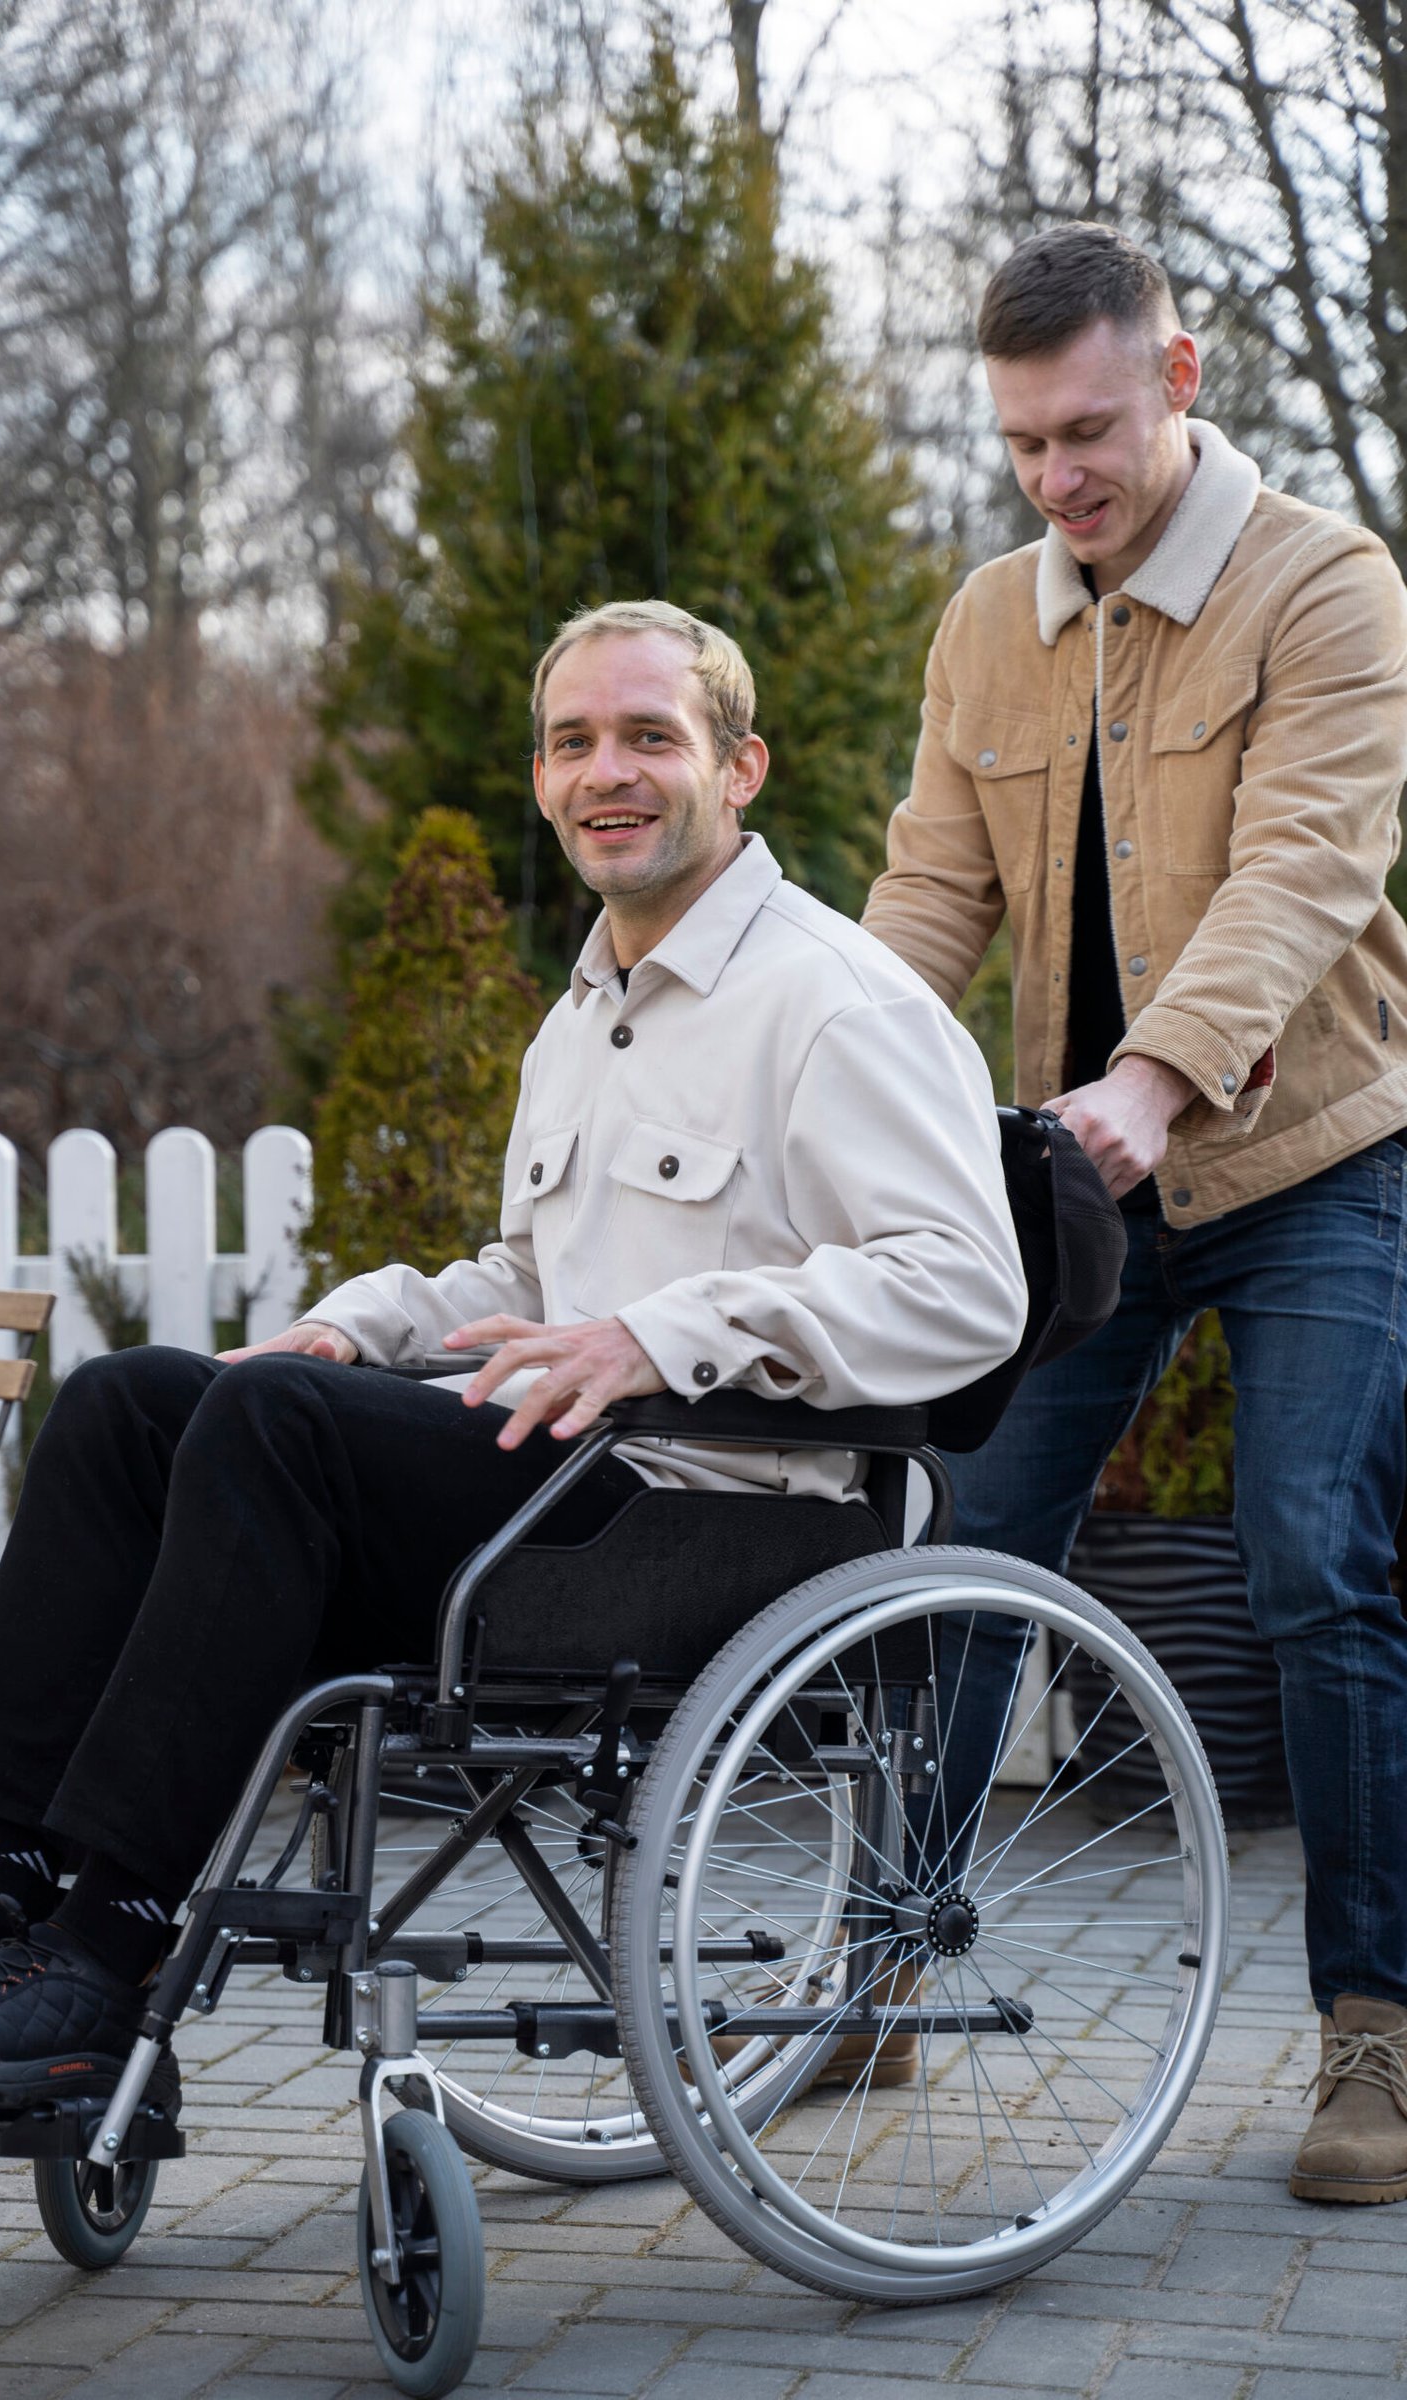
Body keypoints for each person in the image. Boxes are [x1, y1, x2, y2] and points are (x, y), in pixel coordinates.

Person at [0, 599, 1026, 2114]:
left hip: (722, 1513)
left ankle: (102, 1963)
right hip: (564, 1474)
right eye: (575, 743)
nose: (610, 772)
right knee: (144, 1403)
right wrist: (360, 1322)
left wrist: (666, 1332)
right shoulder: (589, 1012)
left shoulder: (836, 1001)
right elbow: (534, 1276)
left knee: (283, 1433)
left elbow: (967, 1287)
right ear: (540, 780)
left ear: (742, 767)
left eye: (652, 736)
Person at [861, 221, 1407, 2205]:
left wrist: (1150, 1081)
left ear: (1174, 377)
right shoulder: (982, 629)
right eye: (1019, 445)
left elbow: (1300, 877)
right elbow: (926, 899)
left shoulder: (1323, 585)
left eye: (1084, 429)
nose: (1055, 478)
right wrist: (803, 1068)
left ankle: (1377, 2038)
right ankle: (877, 1964)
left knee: (1303, 1561)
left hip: (1309, 1159)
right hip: (1074, 1187)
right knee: (963, 1545)